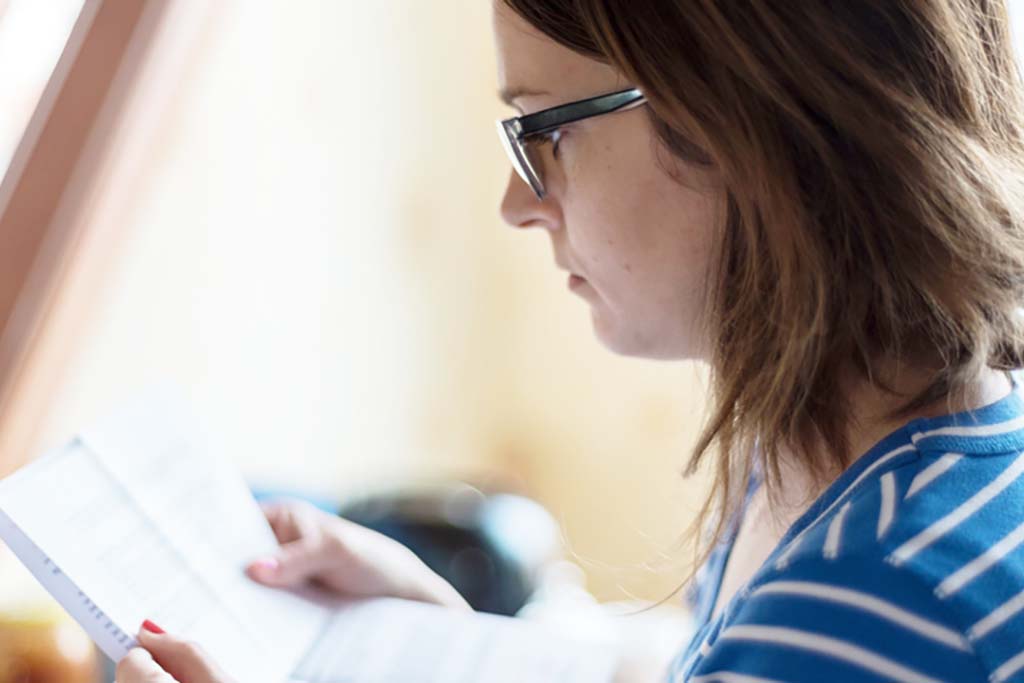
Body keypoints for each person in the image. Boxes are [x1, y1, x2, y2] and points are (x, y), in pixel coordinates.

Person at [118, 1, 1024, 682]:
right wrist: (440, 634)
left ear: (742, 119)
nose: (519, 203)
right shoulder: (848, 458)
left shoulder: (859, 608)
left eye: (544, 130)